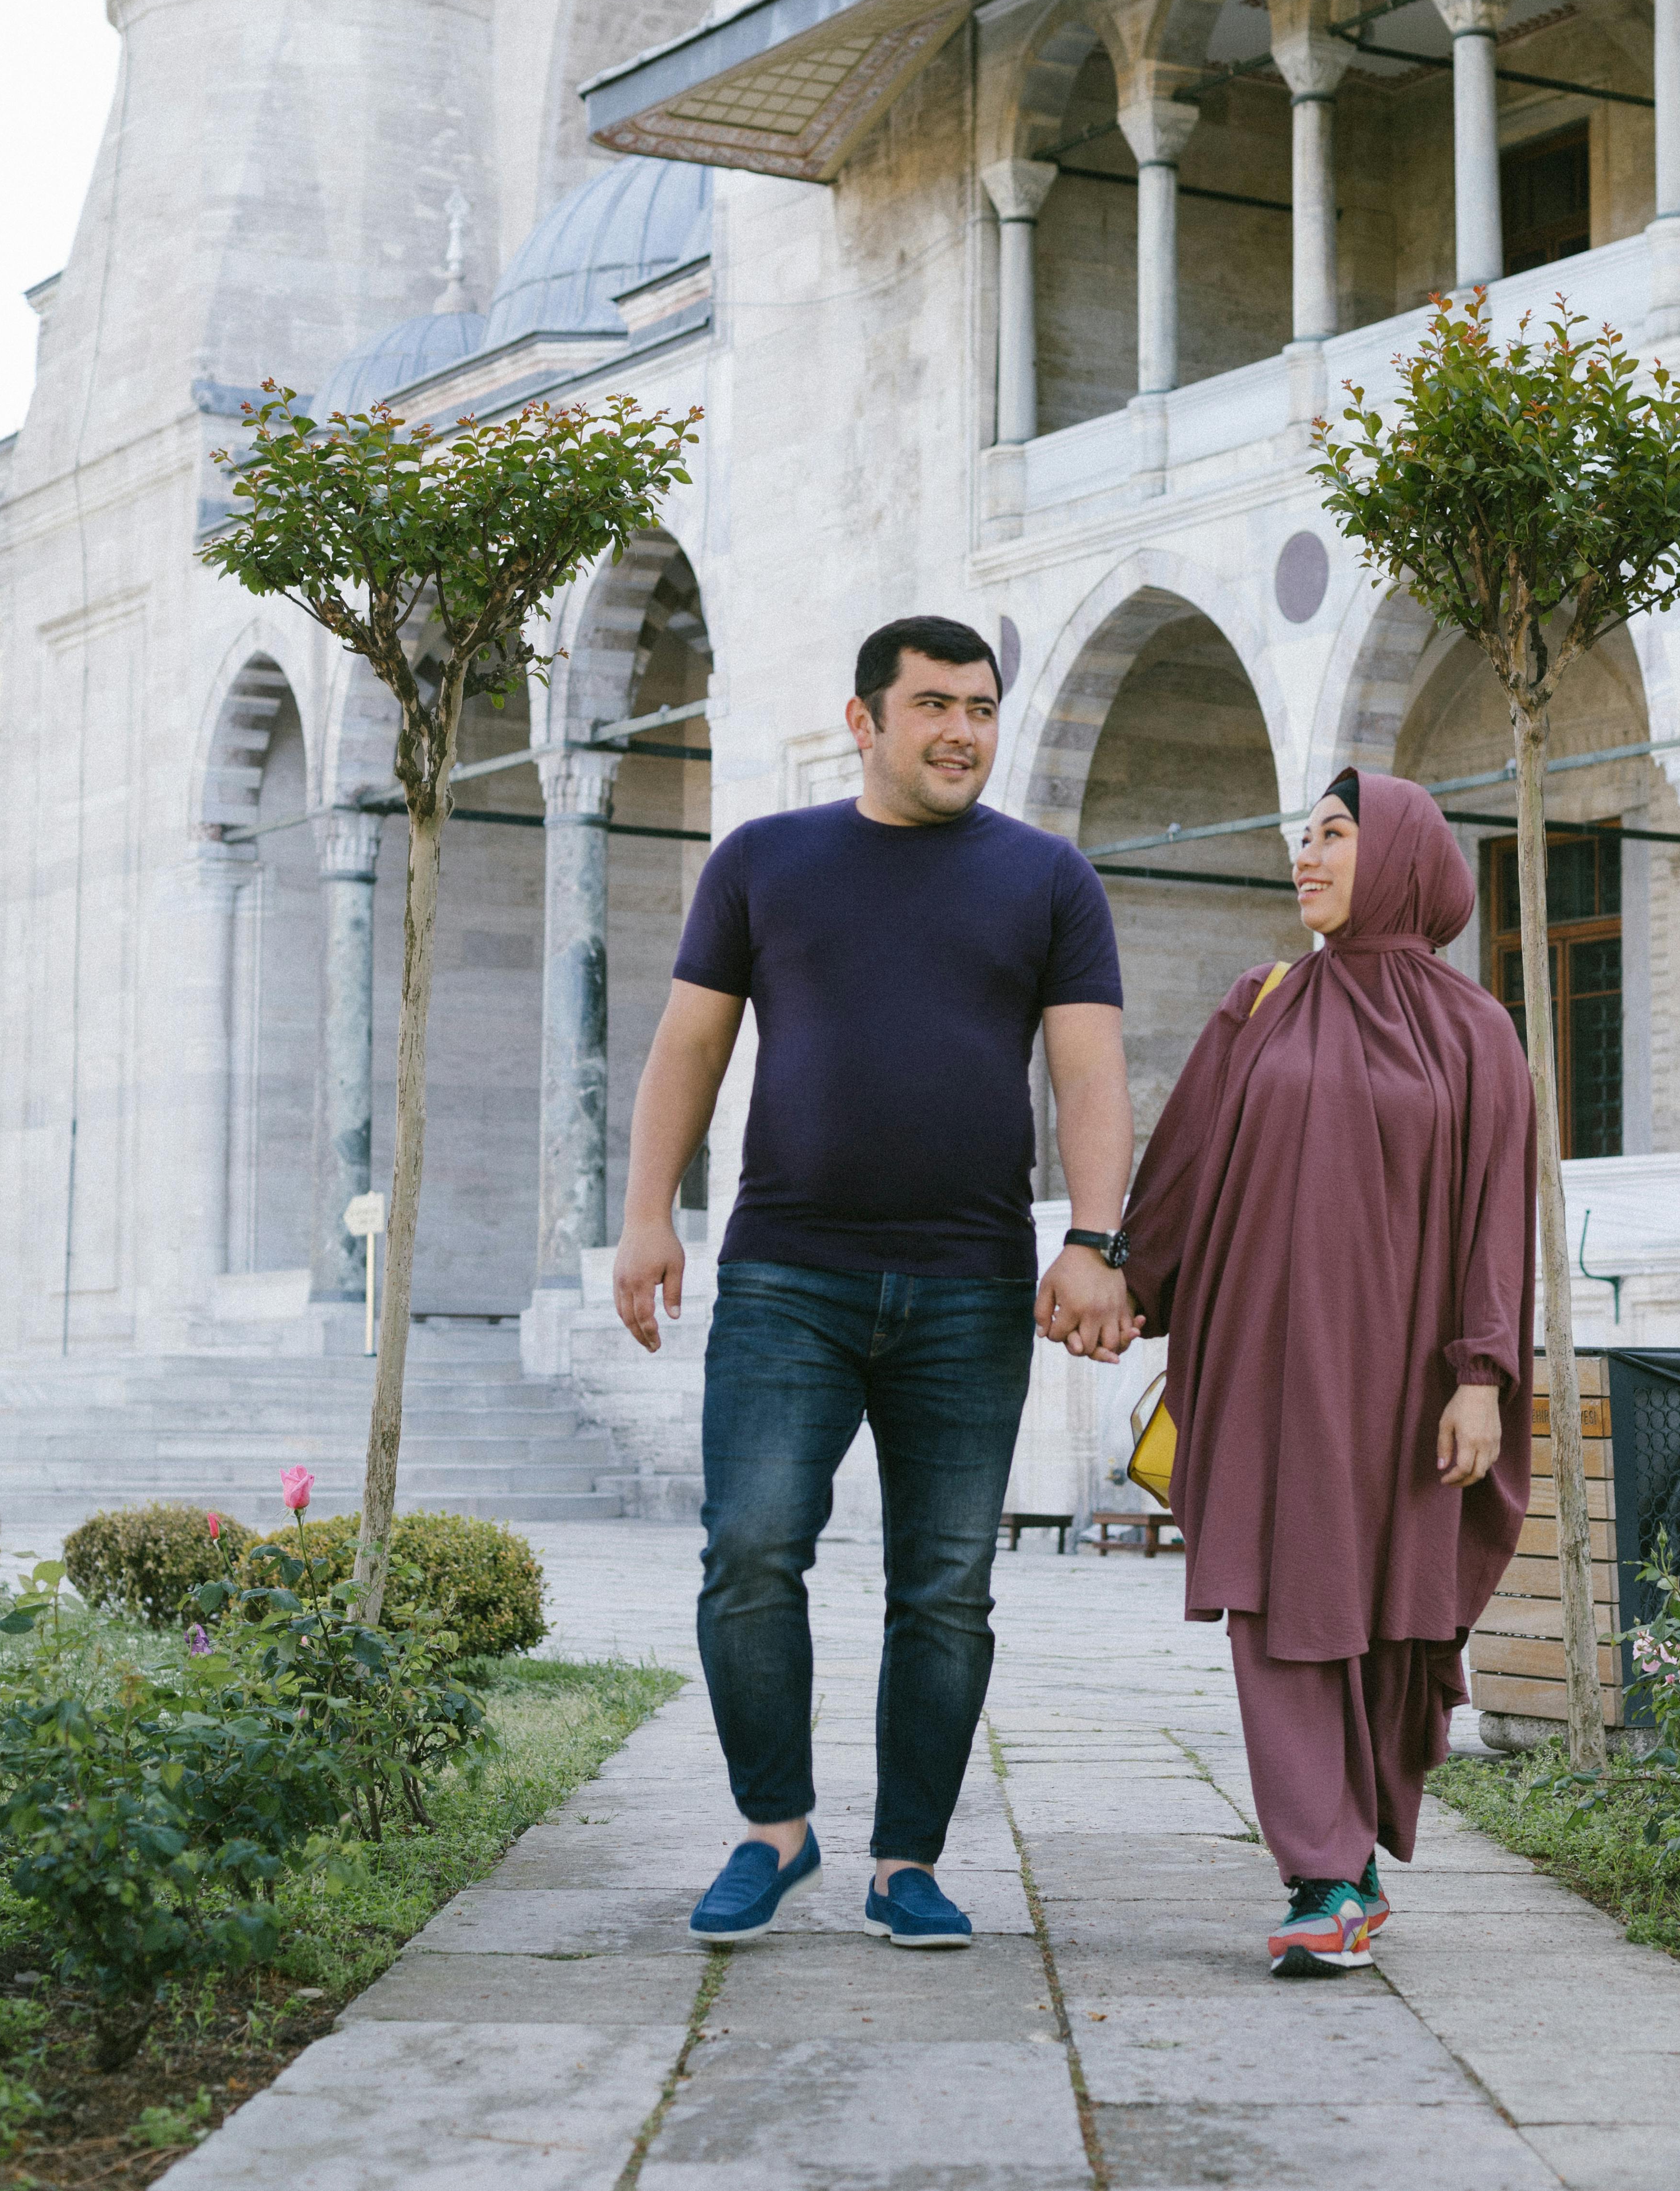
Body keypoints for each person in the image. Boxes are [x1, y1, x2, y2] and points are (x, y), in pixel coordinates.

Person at [612, 614, 1140, 1954]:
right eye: (933, 704)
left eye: (980, 706)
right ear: (865, 718)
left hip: (969, 1285)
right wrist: (646, 1217)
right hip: (789, 1271)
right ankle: (773, 1830)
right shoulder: (764, 861)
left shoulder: (1047, 879)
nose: (962, 729)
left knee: (945, 1586)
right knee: (748, 1551)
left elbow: (1087, 1071)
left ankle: (908, 1858)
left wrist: (1096, 1236)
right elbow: (688, 1045)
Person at [1119, 767, 1534, 1978]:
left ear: (1401, 855)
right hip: (1261, 1361)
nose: (1306, 855)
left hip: (1410, 1378)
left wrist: (1484, 1371)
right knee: (1283, 1598)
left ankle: (1350, 1843)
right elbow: (1184, 1168)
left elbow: (1494, 1209)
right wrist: (1118, 1281)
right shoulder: (1260, 1005)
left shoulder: (1475, 1031)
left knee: (1393, 1616)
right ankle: (1323, 1869)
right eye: (1302, 837)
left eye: (1336, 835)